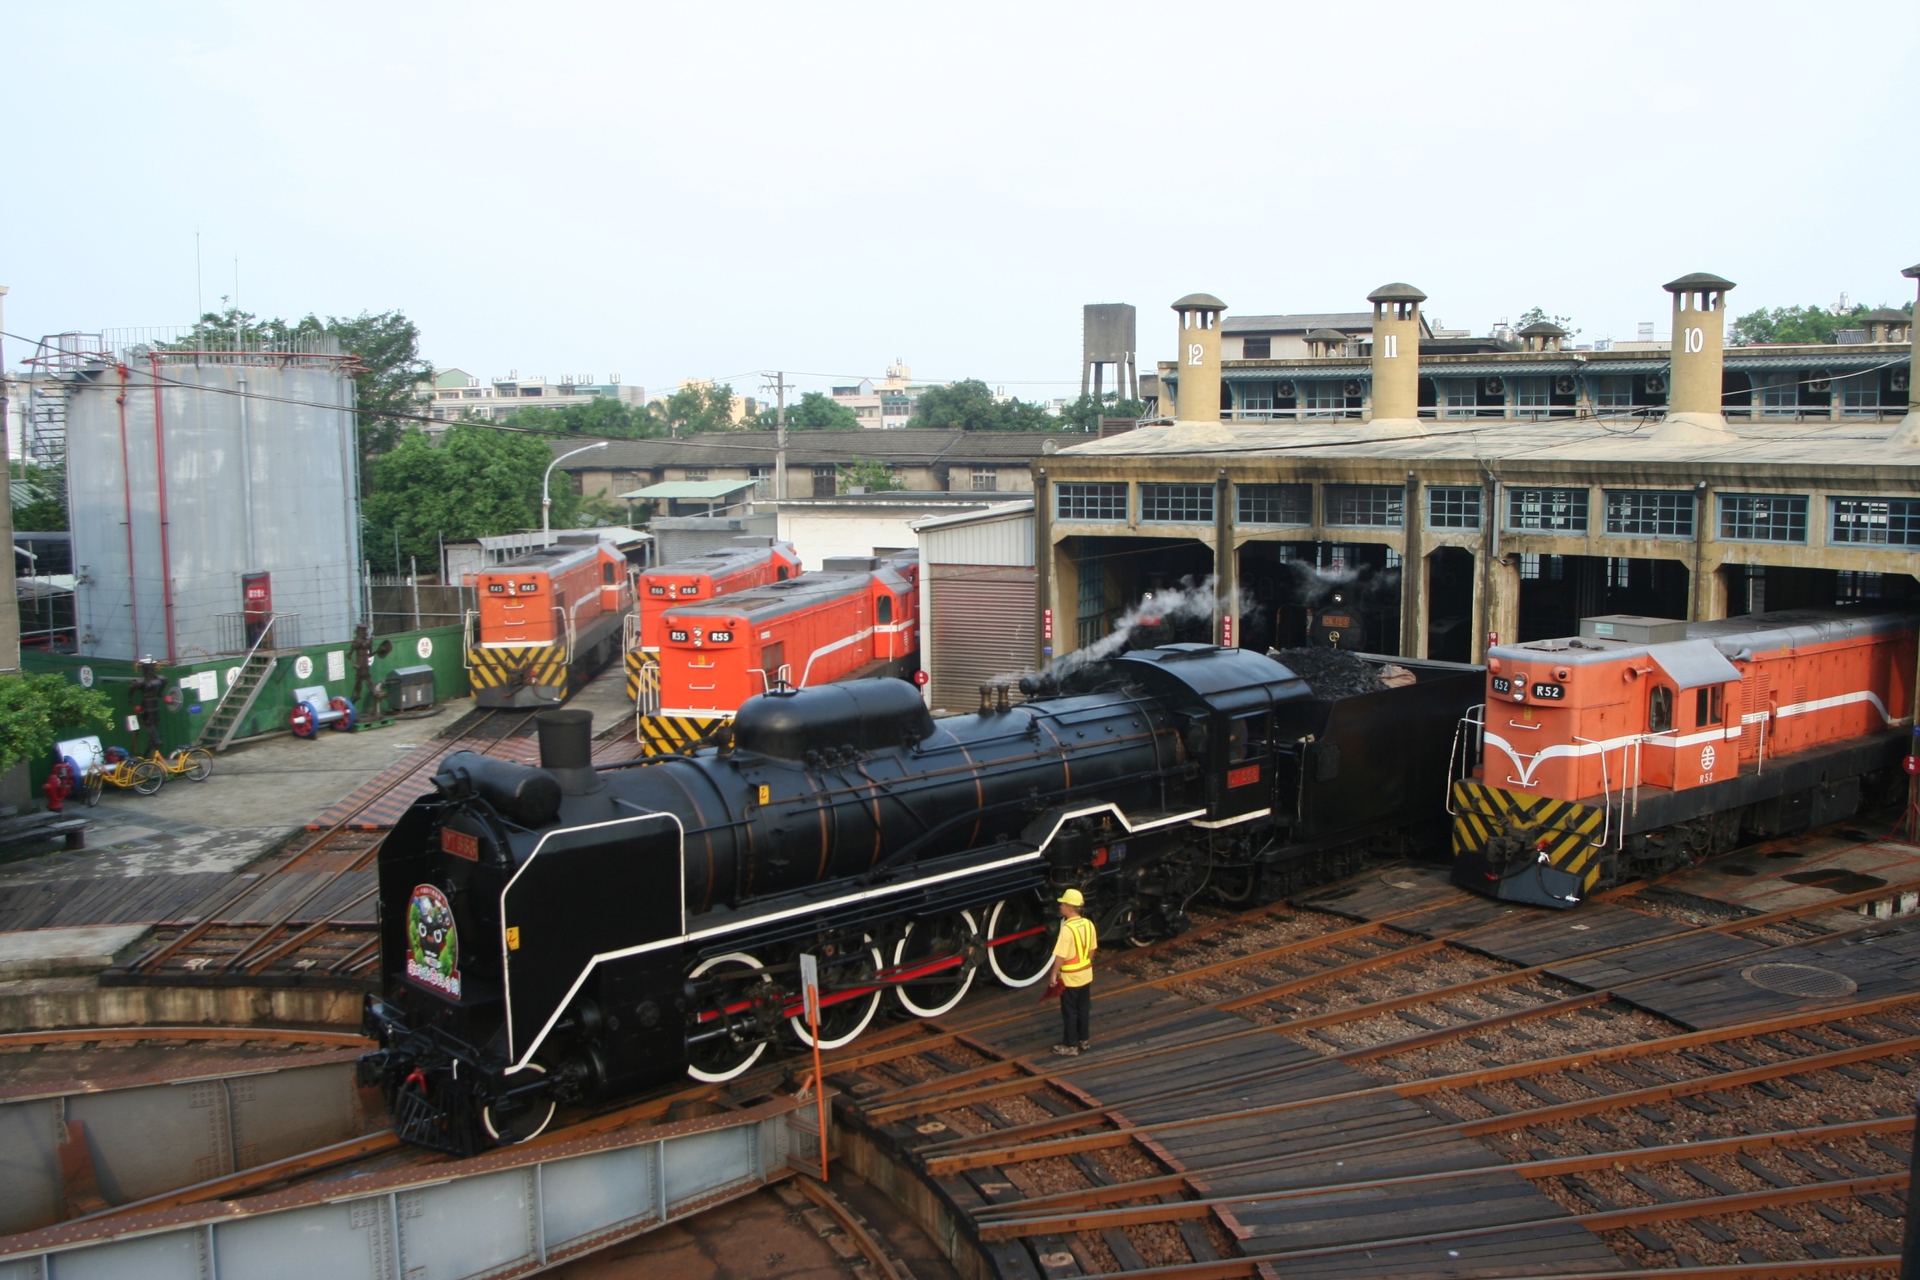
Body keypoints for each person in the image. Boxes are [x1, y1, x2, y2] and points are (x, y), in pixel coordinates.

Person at [1050, 888, 1098, 1056]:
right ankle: (1083, 1040)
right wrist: (1086, 964)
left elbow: (1060, 957)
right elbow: (1092, 950)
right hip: (1085, 975)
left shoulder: (1067, 929)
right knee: (1083, 1009)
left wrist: (1053, 975)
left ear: (1070, 907)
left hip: (1070, 979)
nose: (1060, 907)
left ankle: (1070, 1045)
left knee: (1069, 1011)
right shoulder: (1088, 924)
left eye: (1062, 904)